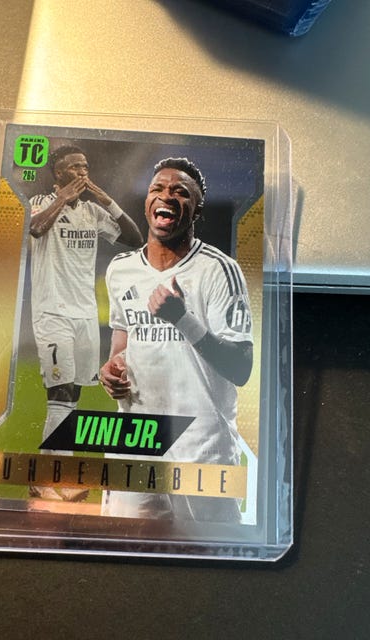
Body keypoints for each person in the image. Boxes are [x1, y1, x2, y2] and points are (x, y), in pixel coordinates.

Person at [99, 157, 253, 522]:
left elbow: (241, 366)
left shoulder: (218, 270)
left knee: (209, 555)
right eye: (157, 188)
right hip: (136, 444)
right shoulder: (120, 270)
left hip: (202, 451)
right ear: (147, 202)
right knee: (123, 549)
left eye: (180, 192)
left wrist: (182, 318)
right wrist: (112, 369)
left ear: (196, 208)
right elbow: (122, 341)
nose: (166, 195)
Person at [28, 144, 143, 501]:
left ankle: (50, 477)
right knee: (59, 391)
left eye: (85, 167)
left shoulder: (93, 212)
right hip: (52, 313)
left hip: (85, 314)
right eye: (74, 167)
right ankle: (50, 477)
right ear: (58, 173)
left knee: (73, 394)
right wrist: (62, 198)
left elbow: (135, 239)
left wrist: (108, 201)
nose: (82, 172)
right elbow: (36, 228)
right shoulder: (41, 201)